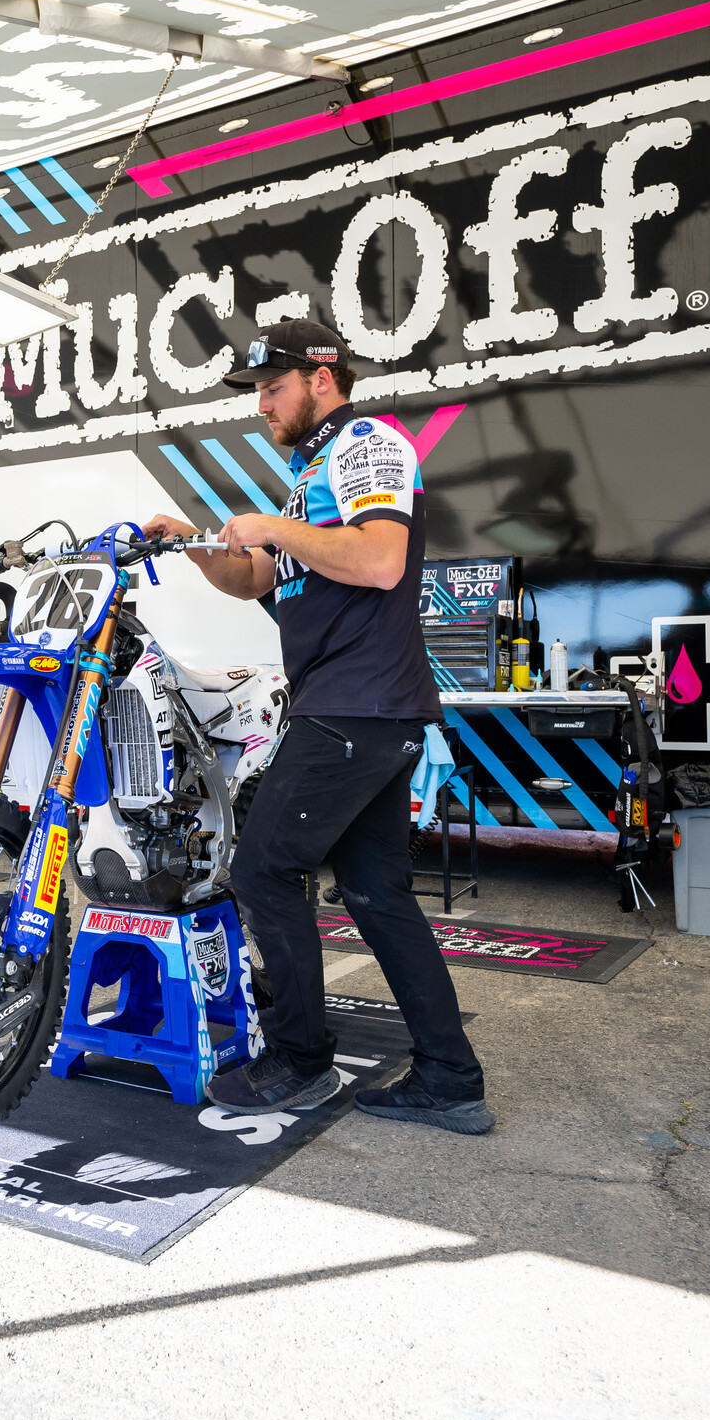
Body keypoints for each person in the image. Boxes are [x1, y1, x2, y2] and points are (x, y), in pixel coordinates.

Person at [141, 318, 492, 1134]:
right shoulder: (313, 476)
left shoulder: (368, 442)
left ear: (322, 379)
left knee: (264, 869)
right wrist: (192, 542)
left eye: (273, 387)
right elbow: (256, 579)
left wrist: (271, 525)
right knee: (376, 895)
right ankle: (450, 1077)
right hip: (366, 708)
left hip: (354, 705)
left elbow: (381, 560)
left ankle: (299, 1062)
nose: (262, 405)